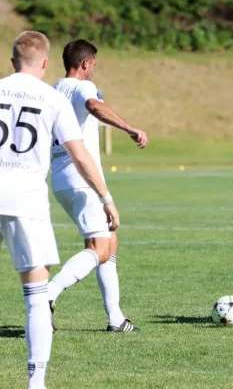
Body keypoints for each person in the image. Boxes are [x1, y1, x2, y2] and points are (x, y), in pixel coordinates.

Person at [0, 31, 119, 389]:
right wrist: (106, 197)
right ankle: (36, 383)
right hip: (26, 199)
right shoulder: (52, 98)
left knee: (101, 250)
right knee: (37, 296)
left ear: (12, 62)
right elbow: (80, 154)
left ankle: (116, 316)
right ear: (46, 62)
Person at [47, 39, 148, 333]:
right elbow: (93, 105)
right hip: (82, 177)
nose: (94, 72)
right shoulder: (82, 88)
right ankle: (48, 295)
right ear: (85, 63)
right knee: (99, 247)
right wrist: (130, 128)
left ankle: (115, 319)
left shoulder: (54, 90)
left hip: (61, 178)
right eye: (94, 66)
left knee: (108, 243)